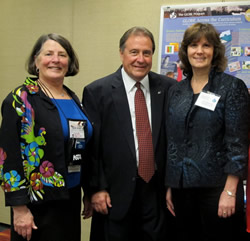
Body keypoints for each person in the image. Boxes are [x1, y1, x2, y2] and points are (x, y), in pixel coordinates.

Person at [82, 26, 175, 241]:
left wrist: (173, 186)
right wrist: (96, 189)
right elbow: (92, 147)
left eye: (146, 53)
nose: (140, 59)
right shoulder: (98, 91)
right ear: (121, 53)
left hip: (157, 194)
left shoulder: (169, 88)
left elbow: (174, 141)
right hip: (113, 196)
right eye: (134, 52)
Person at [0, 33, 93, 241]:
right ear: (36, 60)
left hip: (70, 196)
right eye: (48, 54)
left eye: (62, 55)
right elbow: (7, 156)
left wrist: (89, 190)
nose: (56, 60)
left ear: (69, 62)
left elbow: (82, 147)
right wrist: (19, 207)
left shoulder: (73, 98)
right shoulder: (20, 99)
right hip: (37, 202)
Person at [165, 22, 249, 240]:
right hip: (182, 191)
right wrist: (171, 185)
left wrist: (230, 191)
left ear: (215, 51)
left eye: (206, 46)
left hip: (218, 190)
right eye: (193, 45)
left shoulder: (231, 87)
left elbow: (237, 143)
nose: (199, 51)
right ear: (185, 51)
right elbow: (172, 141)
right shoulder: (176, 91)